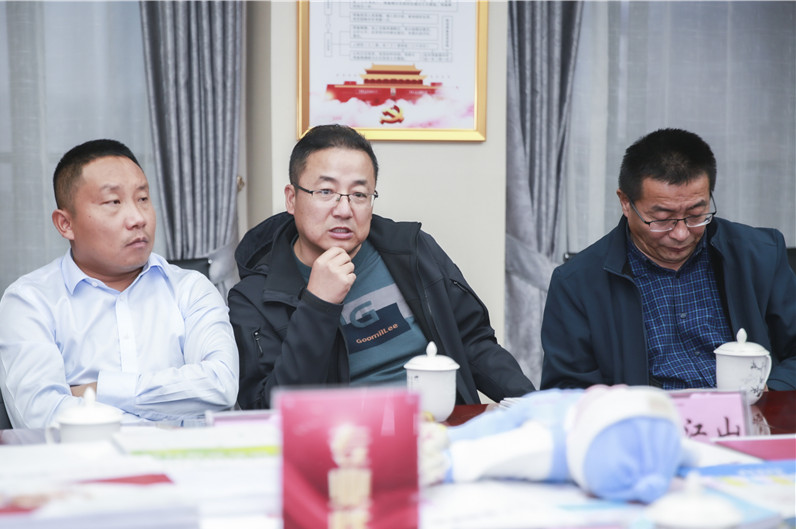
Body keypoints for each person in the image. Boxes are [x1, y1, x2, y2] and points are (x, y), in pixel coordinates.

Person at [228, 124, 534, 410]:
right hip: (342, 441)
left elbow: (472, 342)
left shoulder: (410, 250)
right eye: (326, 192)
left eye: (359, 195)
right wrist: (317, 305)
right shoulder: (254, 297)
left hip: (440, 429)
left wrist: (535, 406)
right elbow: (269, 409)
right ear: (292, 199)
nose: (344, 209)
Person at [0, 139, 238, 428]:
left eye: (143, 199)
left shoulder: (191, 289)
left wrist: (99, 391)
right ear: (65, 224)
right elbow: (43, 417)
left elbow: (220, 385)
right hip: (86, 460)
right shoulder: (29, 302)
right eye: (114, 202)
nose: (138, 218)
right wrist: (167, 426)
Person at [541, 128, 796, 391]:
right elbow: (567, 388)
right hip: (647, 415)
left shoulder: (759, 254)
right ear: (625, 203)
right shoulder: (578, 283)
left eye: (696, 215)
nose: (681, 233)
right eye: (662, 219)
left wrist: (772, 393)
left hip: (752, 412)